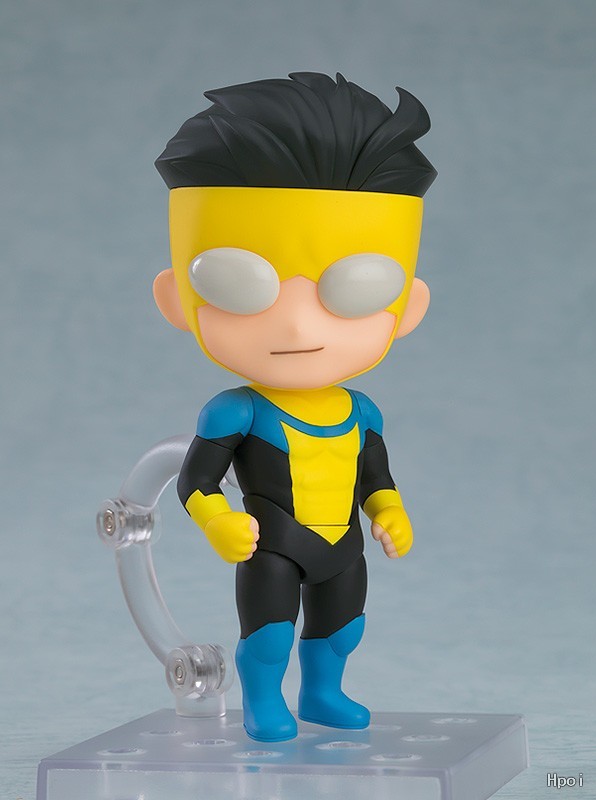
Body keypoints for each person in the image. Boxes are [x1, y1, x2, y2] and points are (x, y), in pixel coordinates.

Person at [152, 72, 436, 742]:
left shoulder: (362, 411)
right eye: (240, 287)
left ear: (408, 307)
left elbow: (376, 477)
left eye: (355, 291)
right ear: (175, 299)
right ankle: (264, 701)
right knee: (270, 632)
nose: (298, 325)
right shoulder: (236, 412)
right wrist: (219, 521)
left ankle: (323, 692)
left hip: (344, 544)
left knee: (343, 626)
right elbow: (195, 482)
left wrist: (389, 511)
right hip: (272, 545)